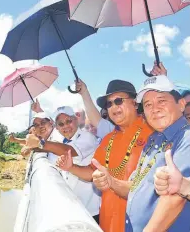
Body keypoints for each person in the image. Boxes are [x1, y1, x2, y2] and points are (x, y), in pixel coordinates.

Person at [57, 79, 154, 232]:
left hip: (140, 225)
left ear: (135, 103)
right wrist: (71, 167)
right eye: (109, 104)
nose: (114, 107)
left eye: (118, 101)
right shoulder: (109, 138)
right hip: (107, 223)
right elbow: (92, 172)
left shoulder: (153, 131)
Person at [122, 75, 190, 232]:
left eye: (162, 101)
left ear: (181, 105)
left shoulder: (186, 138)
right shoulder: (153, 139)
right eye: (148, 105)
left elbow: (174, 199)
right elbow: (137, 185)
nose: (155, 109)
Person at [53, 106, 101, 223]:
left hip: (90, 209)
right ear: (57, 128)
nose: (65, 126)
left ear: (76, 120)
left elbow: (69, 151)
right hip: (73, 206)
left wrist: (41, 144)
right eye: (61, 124)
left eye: (69, 121)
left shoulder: (87, 138)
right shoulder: (62, 142)